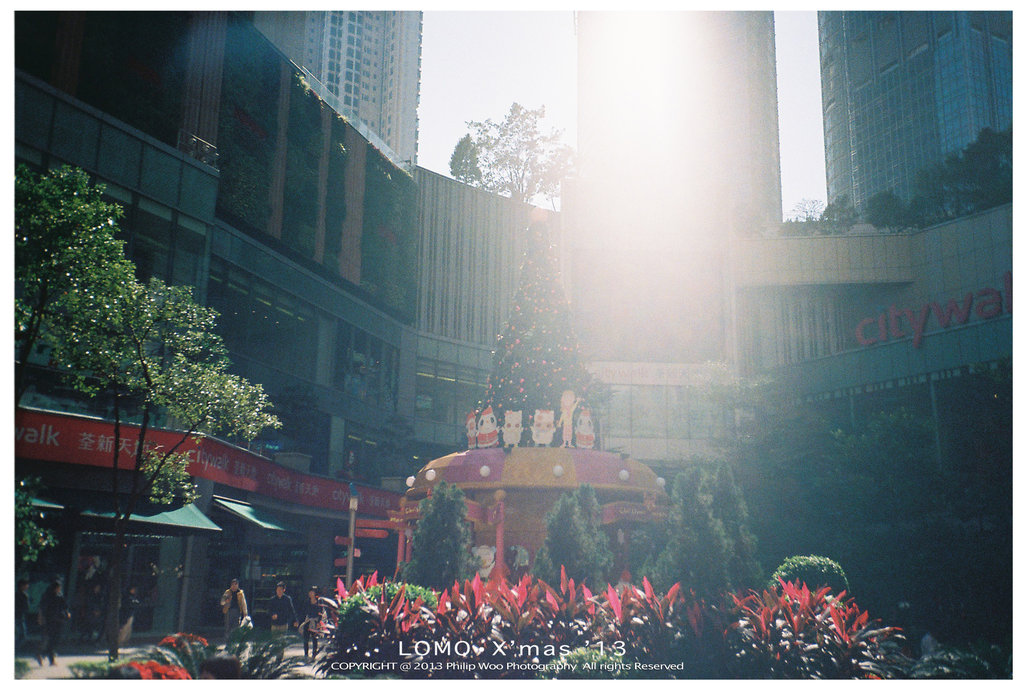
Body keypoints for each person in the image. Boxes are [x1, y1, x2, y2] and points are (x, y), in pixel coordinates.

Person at [36, 579, 71, 665]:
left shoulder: (58, 596)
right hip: (52, 620)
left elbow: (65, 606)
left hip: (56, 620)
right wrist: (41, 618)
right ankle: (47, 656)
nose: (60, 589)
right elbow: (42, 607)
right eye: (59, 587)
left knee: (54, 639)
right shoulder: (49, 596)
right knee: (53, 639)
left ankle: (44, 655)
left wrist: (67, 613)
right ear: (55, 588)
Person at [297, 586, 321, 659]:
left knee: (315, 639)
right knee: (306, 639)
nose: (310, 593)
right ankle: (306, 654)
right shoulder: (306, 602)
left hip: (315, 622)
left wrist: (319, 622)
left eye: (312, 592)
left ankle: (314, 653)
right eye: (310, 592)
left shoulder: (319, 602)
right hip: (307, 621)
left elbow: (321, 613)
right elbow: (303, 612)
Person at [15, 579, 30, 650]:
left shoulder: (15, 594)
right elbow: (26, 607)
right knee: (22, 635)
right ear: (22, 586)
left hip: (17, 616)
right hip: (19, 617)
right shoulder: (24, 595)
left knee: (18, 634)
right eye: (26, 585)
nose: (28, 586)